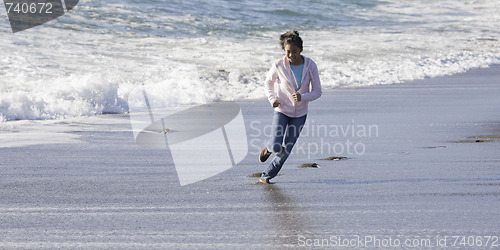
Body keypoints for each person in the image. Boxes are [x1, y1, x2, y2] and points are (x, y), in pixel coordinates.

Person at [259, 30, 322, 184]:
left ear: (301, 50)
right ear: (284, 51)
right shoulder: (278, 65)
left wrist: (303, 97)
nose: (291, 56)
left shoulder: (310, 65)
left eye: (294, 52)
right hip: (282, 110)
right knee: (275, 145)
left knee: (287, 149)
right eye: (288, 52)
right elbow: (268, 82)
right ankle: (268, 148)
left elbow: (318, 91)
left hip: (300, 114)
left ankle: (266, 175)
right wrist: (272, 99)